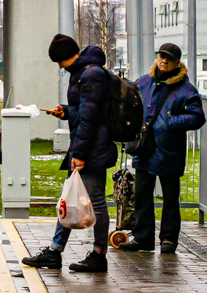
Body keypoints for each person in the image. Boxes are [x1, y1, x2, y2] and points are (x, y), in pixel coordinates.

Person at [22, 34, 116, 273]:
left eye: (59, 61)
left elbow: (90, 118)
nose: (60, 67)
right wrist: (64, 112)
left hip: (92, 147)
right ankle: (55, 251)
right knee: (69, 197)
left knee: (96, 202)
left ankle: (98, 255)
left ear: (65, 57)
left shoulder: (90, 74)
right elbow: (83, 110)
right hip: (88, 145)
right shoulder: (84, 72)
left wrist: (80, 153)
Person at [117, 42, 205, 254]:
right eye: (160, 56)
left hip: (169, 150)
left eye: (168, 58)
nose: (163, 61)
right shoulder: (144, 82)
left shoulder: (186, 89)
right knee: (142, 196)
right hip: (144, 148)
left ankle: (169, 239)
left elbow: (197, 117)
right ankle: (142, 238)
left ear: (177, 62)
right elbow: (131, 105)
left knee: (170, 198)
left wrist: (170, 121)